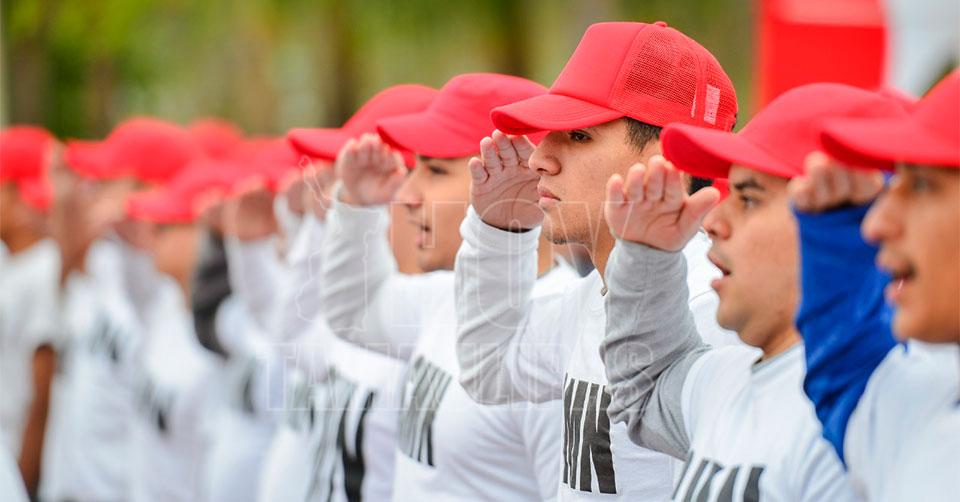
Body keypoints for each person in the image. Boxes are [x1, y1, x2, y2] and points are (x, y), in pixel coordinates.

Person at [453, 21, 738, 499]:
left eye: (578, 136)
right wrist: (501, 228)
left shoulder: (710, 310)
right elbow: (489, 369)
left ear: (665, 161)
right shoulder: (593, 295)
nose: (539, 158)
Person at [599, 83, 909, 501]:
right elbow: (646, 389)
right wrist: (647, 257)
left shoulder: (884, 406)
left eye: (748, 198)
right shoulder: (727, 379)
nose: (712, 221)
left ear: (843, 217)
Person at [319, 72, 577, 500]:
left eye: (436, 170)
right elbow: (354, 312)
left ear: (518, 174)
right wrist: (358, 207)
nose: (407, 194)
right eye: (415, 168)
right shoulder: (446, 295)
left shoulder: (560, 331)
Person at [255, 84, 436, 502]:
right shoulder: (366, 311)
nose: (331, 191)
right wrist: (321, 226)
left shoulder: (423, 315)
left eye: (347, 175)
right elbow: (292, 336)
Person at [787, 70, 960, 501]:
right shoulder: (929, 411)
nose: (875, 225)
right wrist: (835, 247)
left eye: (922, 185)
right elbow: (853, 386)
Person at [0, 126, 59, 498]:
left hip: (16, 459)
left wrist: (23, 481)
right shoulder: (8, 259)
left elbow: (42, 392)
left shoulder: (45, 267)